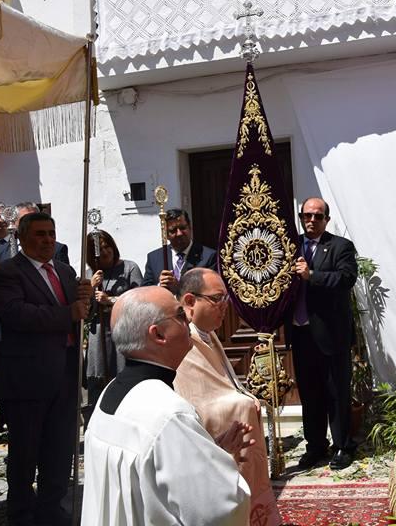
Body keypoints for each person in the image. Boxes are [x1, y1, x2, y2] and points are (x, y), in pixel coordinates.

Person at [81, 286, 252, 526]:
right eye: (181, 315)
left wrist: (210, 457)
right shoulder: (169, 413)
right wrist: (225, 469)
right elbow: (218, 511)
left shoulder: (110, 392)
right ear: (158, 334)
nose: (189, 319)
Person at [0, 211, 92, 526]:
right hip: (28, 380)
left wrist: (87, 301)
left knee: (60, 452)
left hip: (66, 375)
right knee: (25, 453)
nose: (48, 240)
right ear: (21, 237)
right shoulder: (5, 272)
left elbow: (80, 314)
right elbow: (16, 315)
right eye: (40, 234)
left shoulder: (65, 270)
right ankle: (20, 513)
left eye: (51, 233)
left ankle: (51, 509)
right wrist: (68, 313)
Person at [175, 268, 281, 526]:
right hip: (204, 437)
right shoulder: (181, 338)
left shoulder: (207, 333)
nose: (224, 307)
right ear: (190, 301)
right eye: (216, 299)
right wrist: (241, 402)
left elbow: (222, 382)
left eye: (226, 299)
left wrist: (242, 394)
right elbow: (195, 396)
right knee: (241, 407)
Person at [290, 197, 358, 470]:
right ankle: (315, 446)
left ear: (326, 220)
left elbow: (346, 279)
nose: (311, 220)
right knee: (310, 393)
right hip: (301, 333)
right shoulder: (291, 246)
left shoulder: (340, 246)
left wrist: (312, 275)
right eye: (307, 215)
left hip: (332, 335)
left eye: (318, 216)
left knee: (336, 392)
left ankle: (343, 445)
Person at [85, 229, 143, 411]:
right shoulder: (90, 275)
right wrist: (91, 288)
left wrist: (111, 300)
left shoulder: (129, 268)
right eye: (100, 250)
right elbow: (85, 313)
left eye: (107, 246)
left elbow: (140, 300)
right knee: (98, 382)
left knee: (124, 379)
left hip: (123, 332)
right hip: (99, 335)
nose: (105, 252)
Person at [142, 208, 217, 292]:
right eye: (173, 230)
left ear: (190, 228)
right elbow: (144, 291)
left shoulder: (209, 256)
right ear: (166, 234)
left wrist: (179, 288)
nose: (179, 233)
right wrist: (160, 286)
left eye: (182, 228)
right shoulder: (154, 258)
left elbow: (212, 290)